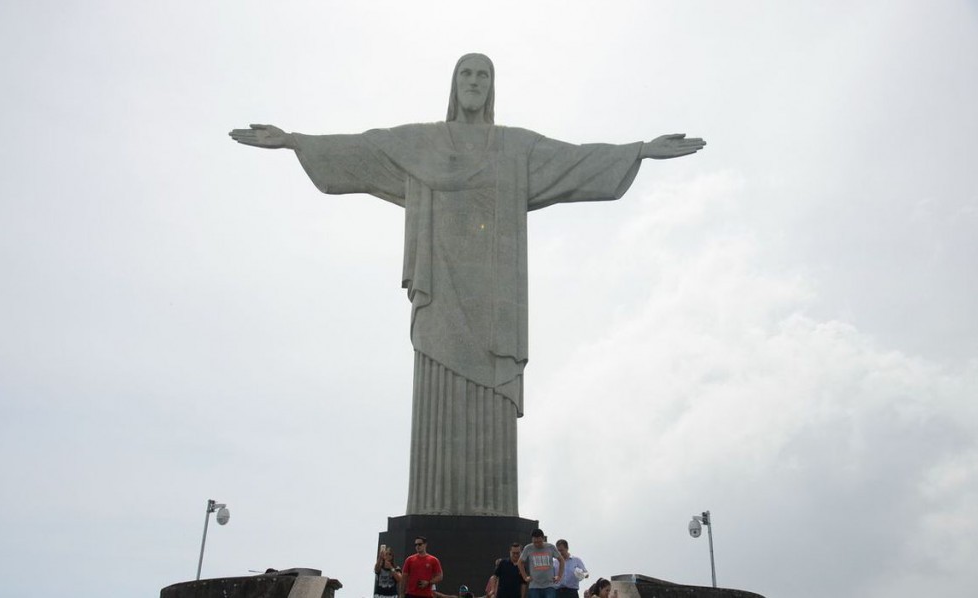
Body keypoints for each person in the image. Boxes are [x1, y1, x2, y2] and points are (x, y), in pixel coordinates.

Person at [230, 54, 705, 518]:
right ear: (454, 84)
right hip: (438, 284)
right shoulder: (422, 143)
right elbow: (364, 148)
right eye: (466, 73)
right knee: (436, 374)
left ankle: (490, 511)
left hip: (495, 296)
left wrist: (639, 150)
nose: (474, 81)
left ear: (492, 87)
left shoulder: (516, 147)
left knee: (491, 383)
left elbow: (575, 160)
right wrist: (294, 141)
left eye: (483, 74)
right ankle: (432, 506)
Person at [518, 529, 564, 598]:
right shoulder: (528, 548)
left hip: (549, 585)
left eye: (539, 542)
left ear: (543, 539)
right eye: (535, 542)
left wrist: (559, 576)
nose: (537, 544)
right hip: (534, 586)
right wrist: (525, 577)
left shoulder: (550, 547)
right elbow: (520, 562)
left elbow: (561, 560)